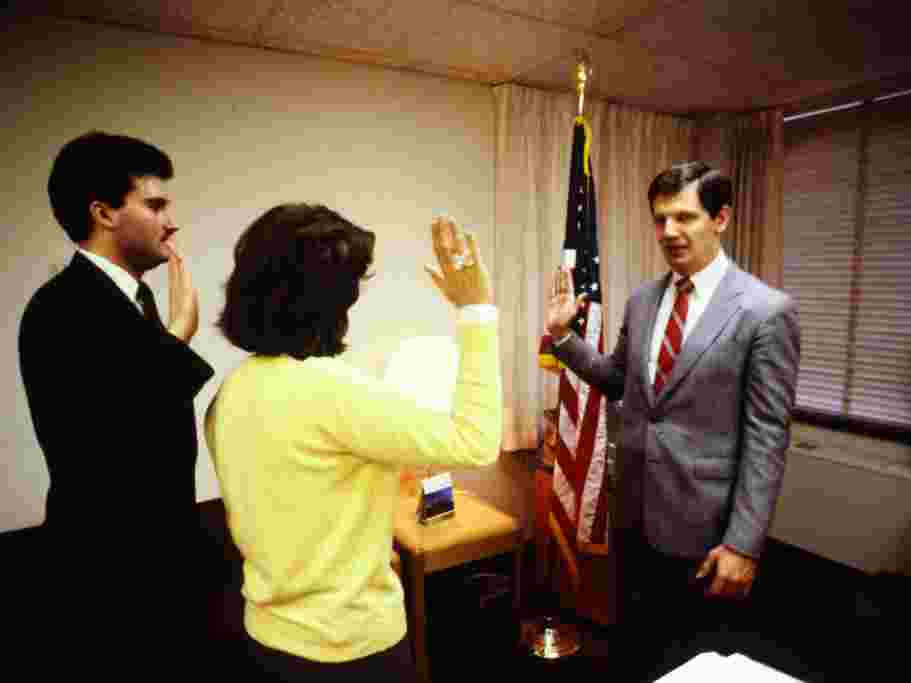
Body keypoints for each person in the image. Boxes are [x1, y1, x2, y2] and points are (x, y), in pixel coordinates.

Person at [204, 205, 502, 680]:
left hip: (264, 642)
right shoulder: (335, 390)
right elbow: (477, 441)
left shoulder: (229, 391)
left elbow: (300, 487)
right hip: (349, 653)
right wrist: (476, 311)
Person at [545, 161, 800, 677]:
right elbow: (619, 380)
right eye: (660, 219)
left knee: (696, 660)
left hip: (707, 533)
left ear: (721, 218)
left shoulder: (765, 311)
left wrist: (743, 545)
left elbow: (767, 438)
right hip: (636, 516)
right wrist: (563, 337)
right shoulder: (643, 301)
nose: (669, 232)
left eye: (685, 217)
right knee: (638, 648)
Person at [17, 131, 215, 670]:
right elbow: (112, 446)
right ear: (103, 213)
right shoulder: (61, 309)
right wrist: (178, 336)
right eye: (154, 204)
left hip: (160, 563)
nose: (170, 221)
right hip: (108, 578)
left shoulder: (133, 297)